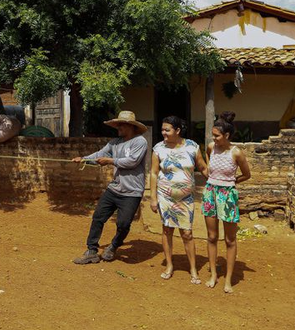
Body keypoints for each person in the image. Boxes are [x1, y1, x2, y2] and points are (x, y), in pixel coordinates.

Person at [71, 110, 148, 264]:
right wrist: (84, 159)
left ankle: (114, 246)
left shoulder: (140, 142)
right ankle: (92, 250)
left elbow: (132, 161)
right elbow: (100, 154)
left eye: (121, 124)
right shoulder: (114, 143)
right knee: (98, 217)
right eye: (117, 124)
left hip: (132, 192)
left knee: (123, 224)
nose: (118, 127)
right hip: (114, 188)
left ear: (130, 126)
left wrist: (110, 161)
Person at [150, 116, 208, 282]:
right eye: (162, 129)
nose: (164, 133)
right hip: (165, 196)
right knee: (167, 229)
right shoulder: (158, 148)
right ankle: (169, 265)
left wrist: (219, 181)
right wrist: (153, 198)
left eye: (167, 130)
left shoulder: (192, 147)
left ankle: (193, 269)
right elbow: (154, 173)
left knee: (187, 233)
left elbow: (203, 168)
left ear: (177, 130)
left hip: (186, 198)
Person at [203, 111, 251, 293]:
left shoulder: (236, 152)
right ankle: (213, 274)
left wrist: (230, 183)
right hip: (210, 194)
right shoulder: (210, 148)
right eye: (213, 135)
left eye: (217, 136)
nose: (214, 139)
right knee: (212, 237)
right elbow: (208, 166)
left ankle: (228, 280)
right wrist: (212, 179)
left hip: (228, 195)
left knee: (230, 239)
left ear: (227, 135)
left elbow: (247, 174)